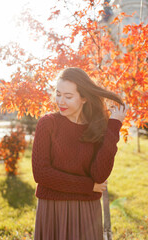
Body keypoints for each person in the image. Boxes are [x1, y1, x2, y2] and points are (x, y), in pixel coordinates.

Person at [32, 67, 129, 240]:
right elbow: (41, 173)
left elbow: (99, 175)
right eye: (58, 94)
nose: (61, 101)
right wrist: (88, 186)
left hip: (87, 211)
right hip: (53, 209)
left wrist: (113, 127)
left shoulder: (97, 127)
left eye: (68, 97)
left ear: (84, 98)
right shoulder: (47, 124)